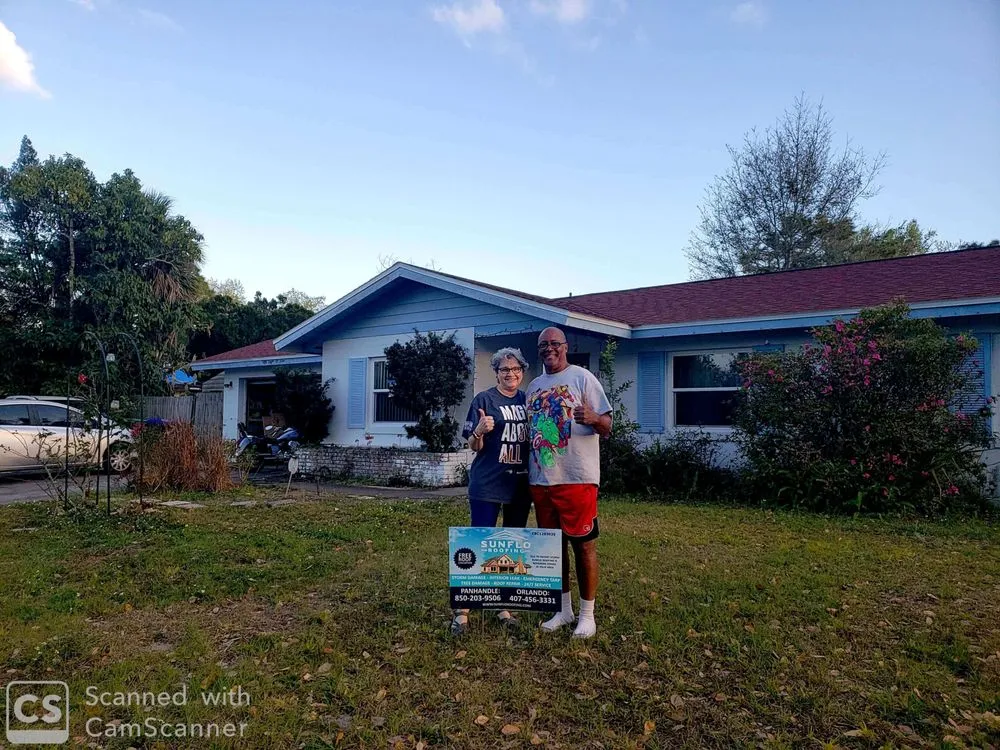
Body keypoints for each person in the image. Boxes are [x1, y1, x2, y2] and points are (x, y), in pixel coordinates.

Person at [525, 327, 612, 639]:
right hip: (542, 479)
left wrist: (594, 418)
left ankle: (587, 615)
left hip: (577, 478)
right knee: (553, 547)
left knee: (583, 545)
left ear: (565, 347)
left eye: (555, 344)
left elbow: (607, 426)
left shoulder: (582, 378)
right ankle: (563, 610)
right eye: (543, 345)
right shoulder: (533, 386)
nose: (549, 349)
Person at [450, 347, 531, 635]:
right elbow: (473, 446)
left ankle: (502, 606)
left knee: (510, 547)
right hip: (487, 483)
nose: (511, 374)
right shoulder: (484, 400)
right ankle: (462, 611)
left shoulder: (528, 400)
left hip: (520, 486)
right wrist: (479, 431)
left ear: (522, 371)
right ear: (496, 372)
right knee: (479, 542)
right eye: (504, 369)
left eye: (516, 369)